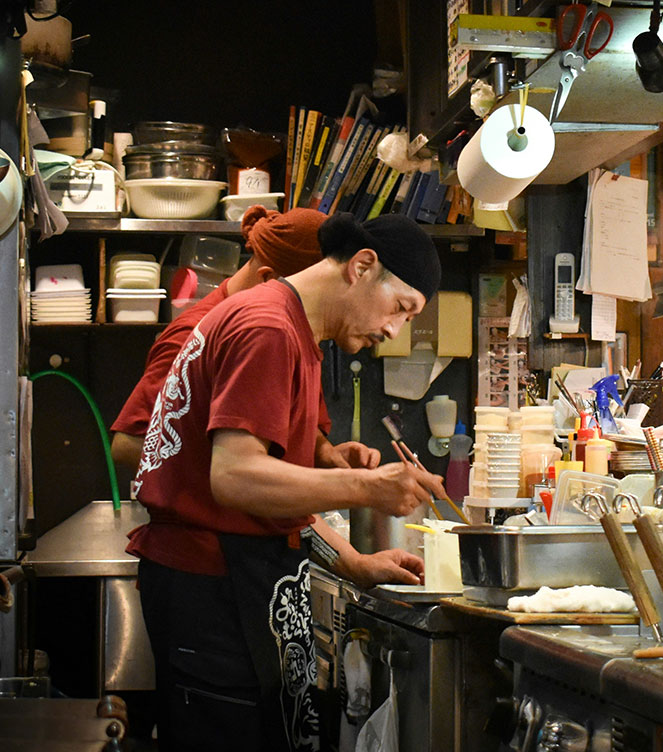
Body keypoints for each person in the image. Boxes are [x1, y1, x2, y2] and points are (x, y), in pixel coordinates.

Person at [127, 212, 445, 752]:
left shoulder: (290, 327)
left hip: (228, 582)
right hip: (215, 591)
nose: (395, 329)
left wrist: (354, 563)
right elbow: (236, 479)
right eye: (401, 308)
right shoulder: (268, 328)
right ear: (362, 267)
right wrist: (368, 488)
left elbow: (267, 490)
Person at [111, 205, 341, 469]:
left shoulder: (293, 333)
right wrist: (233, 473)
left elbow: (294, 421)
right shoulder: (194, 336)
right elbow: (129, 444)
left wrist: (326, 454)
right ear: (270, 281)